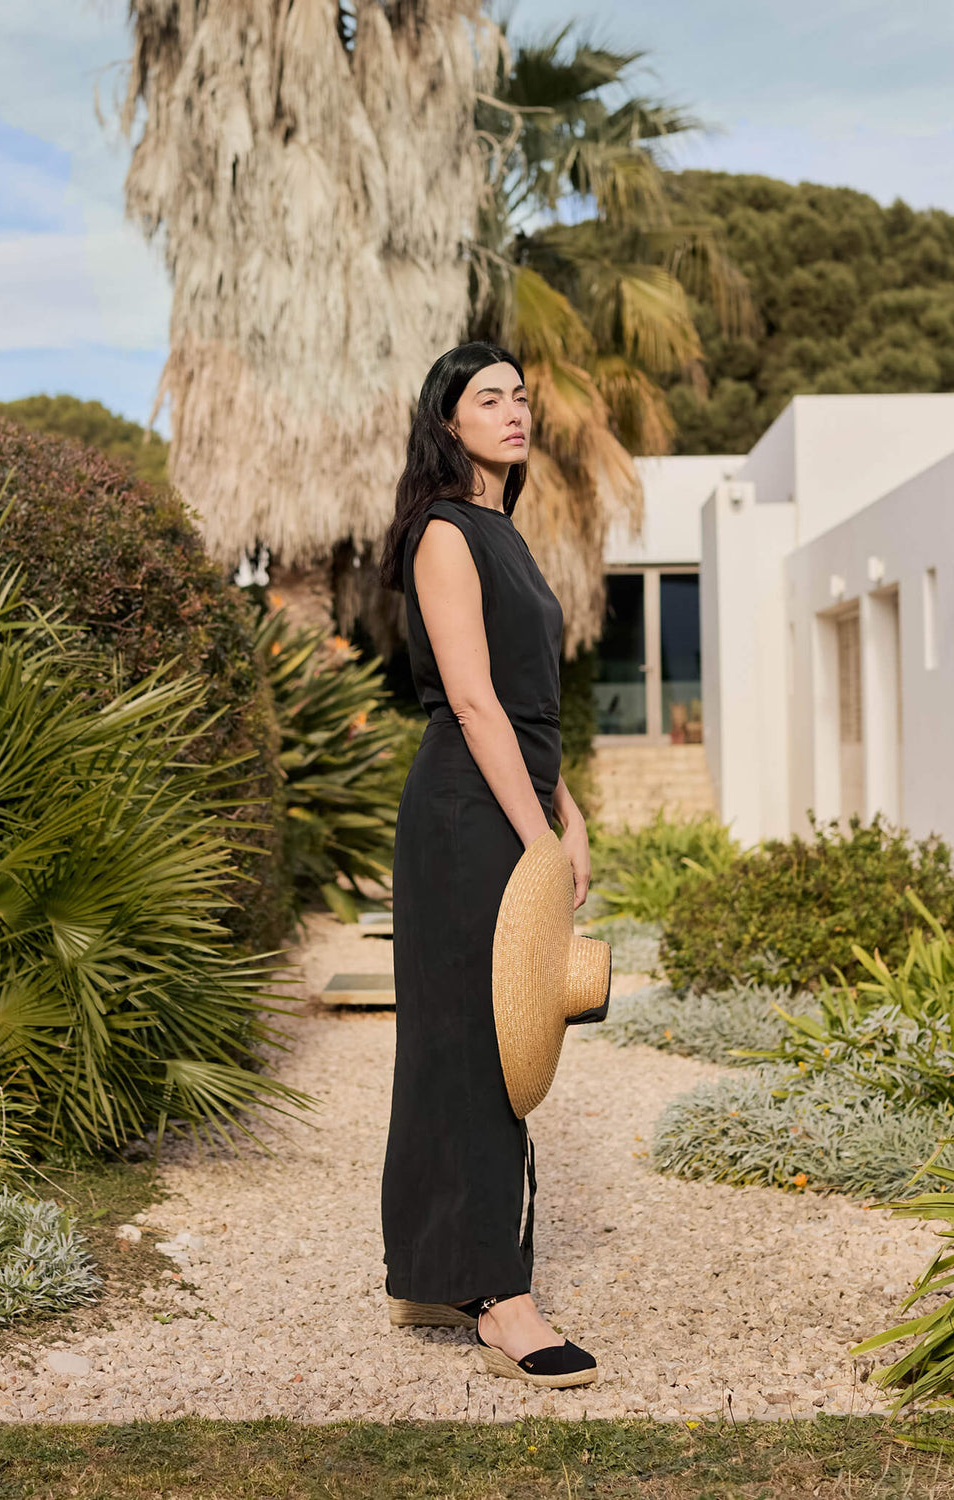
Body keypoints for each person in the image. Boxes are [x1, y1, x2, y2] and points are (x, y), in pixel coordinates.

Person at [377, 341, 598, 1388]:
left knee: (474, 1040)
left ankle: (432, 1273)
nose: (514, 411)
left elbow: (524, 704)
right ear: (448, 421)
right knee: (474, 1047)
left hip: (509, 801)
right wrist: (537, 834)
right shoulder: (441, 532)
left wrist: (568, 811)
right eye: (488, 398)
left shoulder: (504, 532)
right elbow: (471, 702)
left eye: (520, 395)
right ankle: (500, 1302)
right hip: (466, 816)